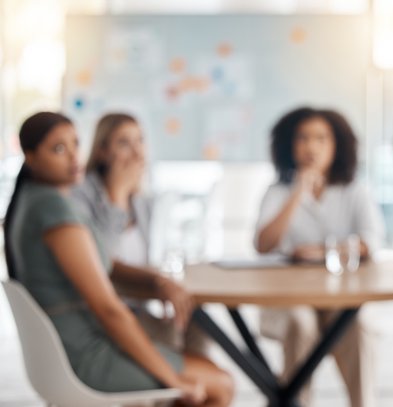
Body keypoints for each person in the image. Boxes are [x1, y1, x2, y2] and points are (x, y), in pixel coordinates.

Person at [5, 112, 234, 406]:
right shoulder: (55, 212)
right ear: (30, 157)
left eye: (75, 144)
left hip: (74, 345)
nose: (74, 156)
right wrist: (171, 378)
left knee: (198, 358)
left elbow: (105, 267)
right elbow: (109, 309)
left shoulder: (37, 200)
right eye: (58, 149)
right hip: (85, 353)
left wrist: (156, 280)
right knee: (221, 384)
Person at [254, 107, 384, 407]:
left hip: (338, 299)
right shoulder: (277, 191)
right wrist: (298, 191)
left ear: (337, 146)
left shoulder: (354, 190)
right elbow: (263, 243)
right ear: (289, 145)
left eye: (321, 139)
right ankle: (295, 402)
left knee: (358, 325)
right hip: (289, 300)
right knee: (300, 324)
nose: (312, 147)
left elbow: (371, 242)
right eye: (303, 138)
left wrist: (323, 251)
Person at [72, 112, 209, 358]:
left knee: (199, 323)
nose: (137, 153)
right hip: (101, 309)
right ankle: (176, 387)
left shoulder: (141, 200)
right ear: (102, 151)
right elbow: (101, 262)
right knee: (166, 336)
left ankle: (189, 393)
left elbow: (149, 257)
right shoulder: (82, 194)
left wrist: (163, 282)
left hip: (137, 302)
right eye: (124, 143)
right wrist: (116, 195)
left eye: (140, 141)